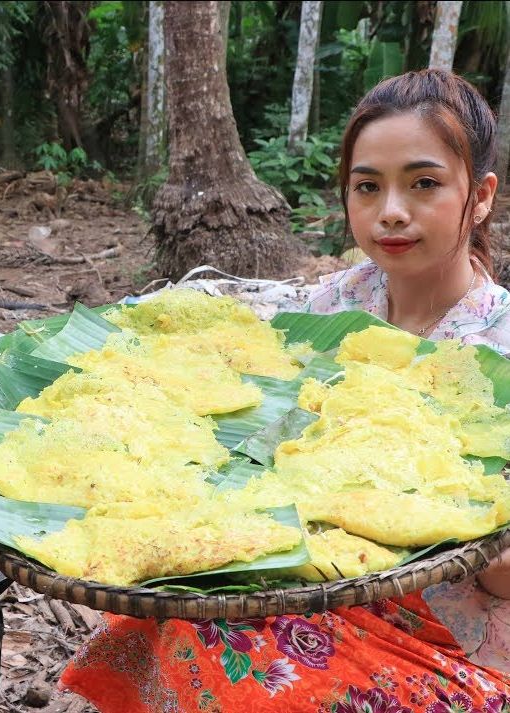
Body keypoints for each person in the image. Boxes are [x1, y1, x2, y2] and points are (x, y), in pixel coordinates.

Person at [61, 69, 510, 712]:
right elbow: (260, 431)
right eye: (367, 186)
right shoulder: (333, 308)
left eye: (425, 183)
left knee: (233, 668)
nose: (391, 210)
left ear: (482, 195)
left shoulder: (500, 348)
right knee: (173, 614)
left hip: (451, 647)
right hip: (312, 592)